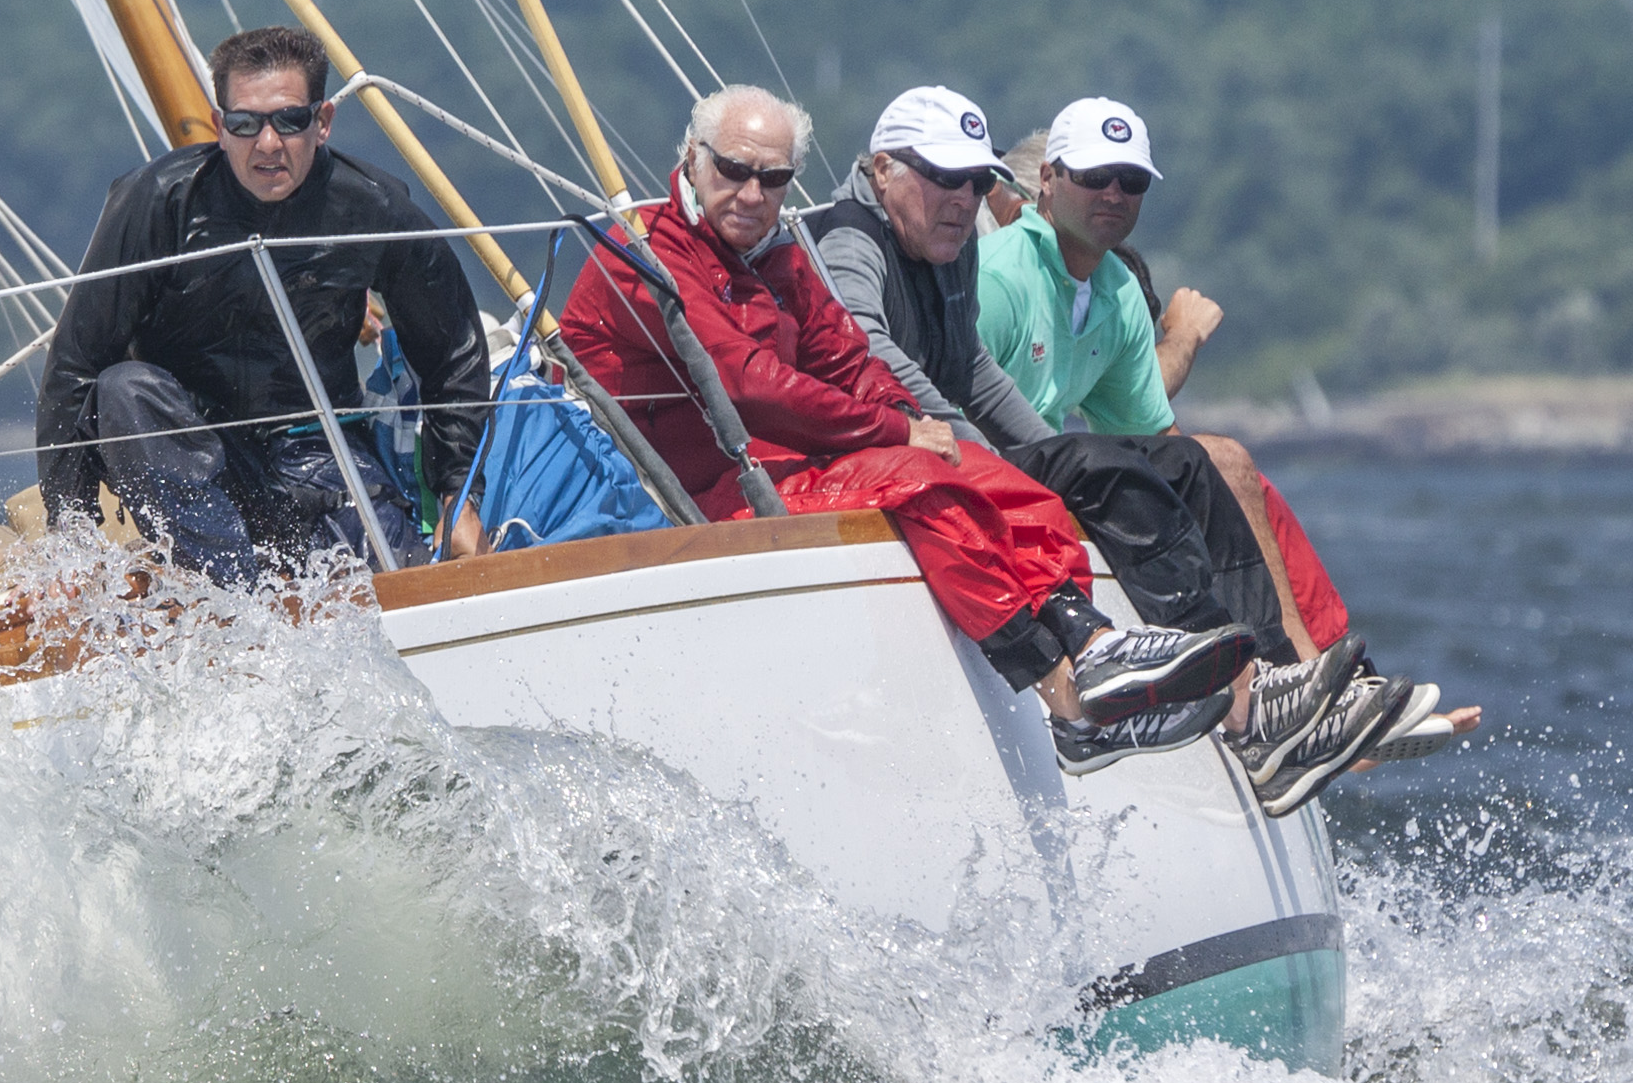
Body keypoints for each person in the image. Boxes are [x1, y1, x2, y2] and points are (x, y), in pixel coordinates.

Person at [552, 84, 1315, 761]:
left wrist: (909, 420)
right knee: (924, 479)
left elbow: (848, 359)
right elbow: (749, 385)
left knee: (993, 472)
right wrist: (895, 433)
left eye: (774, 178)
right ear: (692, 158)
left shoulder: (779, 257)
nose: (753, 193)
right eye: (734, 171)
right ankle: (1068, 698)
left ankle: (1095, 639)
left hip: (782, 468)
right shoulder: (642, 252)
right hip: (693, 494)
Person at [977, 97, 1462, 805]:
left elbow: (1161, 443)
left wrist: (1196, 495)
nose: (1113, 194)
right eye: (1093, 177)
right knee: (1114, 469)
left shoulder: (1110, 288)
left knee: (1205, 463)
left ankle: (1280, 699)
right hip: (978, 463)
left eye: (1130, 181)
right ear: (1047, 181)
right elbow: (938, 399)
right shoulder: (999, 276)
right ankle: (1256, 699)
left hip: (1047, 462)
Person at [808, 85, 1293, 671]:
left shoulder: (952, 244)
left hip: (956, 450)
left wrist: (1043, 448)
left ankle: (1273, 667)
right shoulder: (853, 237)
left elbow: (972, 367)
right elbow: (868, 344)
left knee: (1188, 462)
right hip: (892, 458)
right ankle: (1223, 676)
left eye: (977, 182)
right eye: (944, 175)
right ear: (883, 169)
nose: (964, 199)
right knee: (1099, 465)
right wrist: (977, 448)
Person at [37, 26, 492, 580]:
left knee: (402, 582)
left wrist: (457, 493)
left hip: (320, 456)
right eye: (245, 123)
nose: (268, 143)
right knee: (123, 388)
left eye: (290, 120)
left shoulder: (371, 209)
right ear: (218, 126)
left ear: (322, 122)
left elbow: (454, 352)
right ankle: (230, 596)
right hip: (198, 461)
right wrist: (72, 543)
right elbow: (74, 368)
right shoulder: (157, 202)